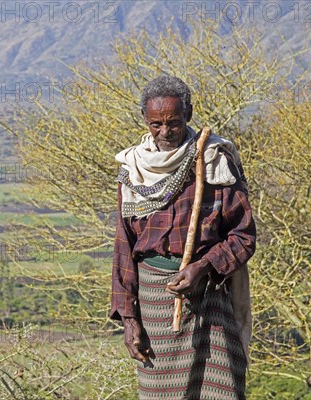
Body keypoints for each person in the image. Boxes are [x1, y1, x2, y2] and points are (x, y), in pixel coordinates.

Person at [110, 75, 256, 400]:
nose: (165, 132)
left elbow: (244, 236)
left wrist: (204, 266)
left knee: (222, 392)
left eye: (173, 123)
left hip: (211, 299)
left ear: (188, 115)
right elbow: (124, 248)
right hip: (155, 308)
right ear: (146, 122)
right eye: (156, 124)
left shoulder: (215, 160)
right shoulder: (133, 170)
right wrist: (129, 320)